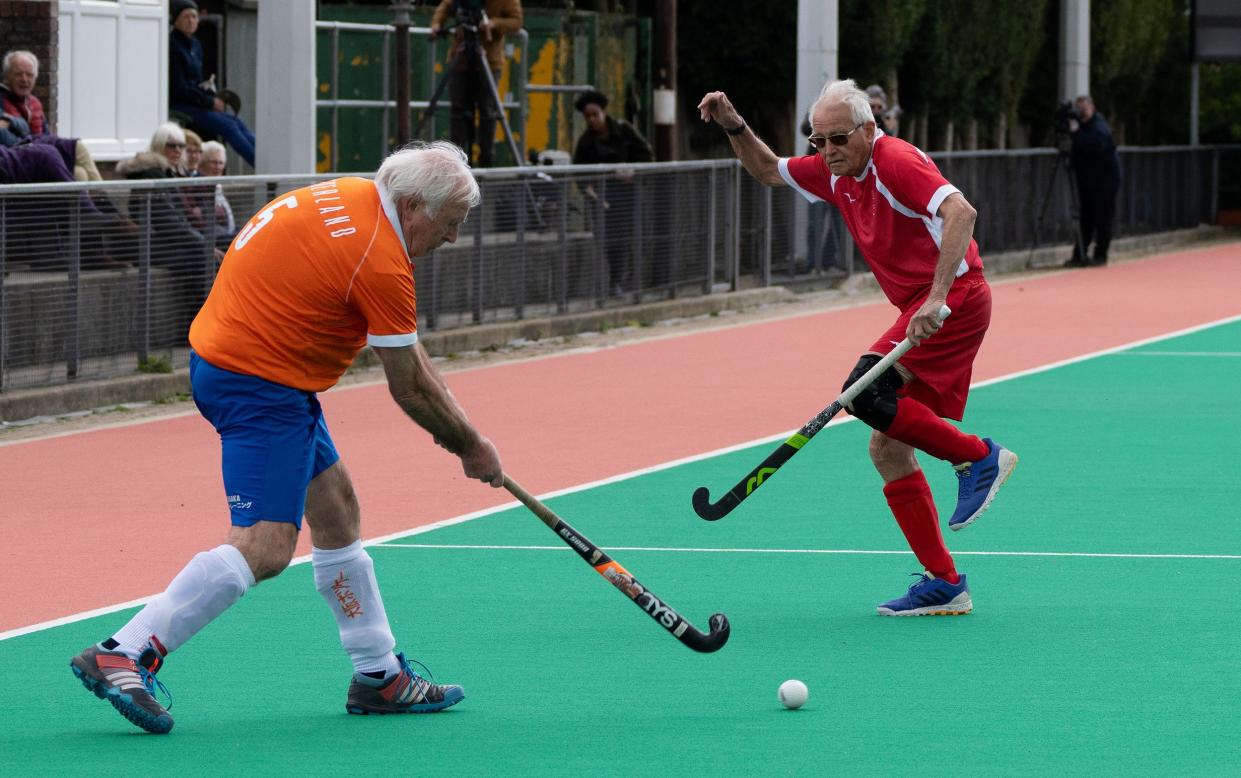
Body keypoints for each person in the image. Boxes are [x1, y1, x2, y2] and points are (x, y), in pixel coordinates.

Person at [70, 141, 503, 734]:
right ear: (411, 205)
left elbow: (406, 348)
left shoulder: (350, 195)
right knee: (267, 543)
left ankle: (379, 676)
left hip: (249, 362)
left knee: (337, 507)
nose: (452, 237)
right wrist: (470, 446)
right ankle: (125, 650)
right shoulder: (378, 259)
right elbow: (411, 389)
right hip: (259, 380)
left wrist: (465, 430)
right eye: (449, 223)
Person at [698, 79, 1018, 616]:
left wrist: (935, 299)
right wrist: (734, 123)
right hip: (923, 304)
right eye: (817, 140)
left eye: (838, 139)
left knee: (861, 392)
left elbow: (961, 213)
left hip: (954, 298)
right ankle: (945, 583)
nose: (827, 151)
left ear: (869, 129)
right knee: (887, 446)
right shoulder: (834, 171)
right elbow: (765, 170)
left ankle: (979, 457)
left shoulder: (894, 161)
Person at [571, 89, 654, 295]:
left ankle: (625, 282)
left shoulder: (623, 130)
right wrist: (591, 193)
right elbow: (578, 173)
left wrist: (632, 172)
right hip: (603, 201)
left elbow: (647, 154)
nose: (592, 120)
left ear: (603, 113)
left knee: (629, 238)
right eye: (587, 117)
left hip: (628, 196)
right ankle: (614, 282)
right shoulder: (585, 143)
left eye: (595, 115)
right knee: (610, 241)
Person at [429, 0, 524, 168]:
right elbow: (445, 6)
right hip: (461, 59)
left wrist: (493, 24)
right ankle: (454, 161)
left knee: (487, 111)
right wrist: (437, 24)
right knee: (458, 110)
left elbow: (516, 22)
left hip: (489, 59)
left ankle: (486, 160)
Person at [168, 0, 256, 167]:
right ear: (176, 20)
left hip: (197, 102)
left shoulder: (195, 45)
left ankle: (269, 159)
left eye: (194, 16)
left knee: (237, 122)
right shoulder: (173, 46)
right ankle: (260, 165)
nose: (191, 21)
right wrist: (210, 102)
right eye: (186, 16)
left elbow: (196, 82)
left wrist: (209, 93)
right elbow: (180, 88)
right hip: (182, 104)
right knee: (228, 127)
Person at [1, 49, 103, 181]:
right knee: (79, 148)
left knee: (80, 174)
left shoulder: (34, 103)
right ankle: (103, 198)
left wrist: (12, 124)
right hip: (21, 164)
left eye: (29, 75)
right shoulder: (2, 101)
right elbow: (10, 140)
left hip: (43, 157)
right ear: (7, 76)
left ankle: (98, 197)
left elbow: (46, 135)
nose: (24, 80)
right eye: (18, 74)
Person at [1065, 95, 1120, 267]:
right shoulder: (1082, 126)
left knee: (1103, 217)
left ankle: (1100, 255)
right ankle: (1080, 254)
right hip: (1087, 181)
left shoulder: (1099, 126)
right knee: (1086, 218)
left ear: (1092, 107)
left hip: (1105, 181)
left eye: (1083, 109)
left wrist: (1076, 133)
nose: (1080, 113)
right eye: (1078, 109)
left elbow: (1095, 144)